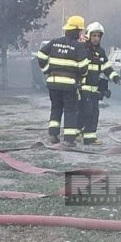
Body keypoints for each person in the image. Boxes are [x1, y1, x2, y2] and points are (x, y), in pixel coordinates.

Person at [38, 15, 89, 147]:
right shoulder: (78, 46)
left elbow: (41, 54)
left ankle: (53, 135)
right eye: (80, 31)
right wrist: (80, 74)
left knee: (56, 108)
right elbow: (83, 67)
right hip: (69, 85)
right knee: (70, 110)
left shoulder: (54, 42)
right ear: (77, 31)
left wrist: (47, 70)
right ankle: (69, 139)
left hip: (53, 82)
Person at [78, 22, 120, 145]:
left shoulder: (101, 52)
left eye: (98, 36)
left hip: (94, 90)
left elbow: (106, 67)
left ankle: (81, 134)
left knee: (93, 113)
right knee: (88, 113)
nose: (96, 38)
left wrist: (115, 77)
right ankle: (89, 139)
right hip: (83, 88)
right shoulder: (83, 49)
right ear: (89, 35)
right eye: (94, 35)